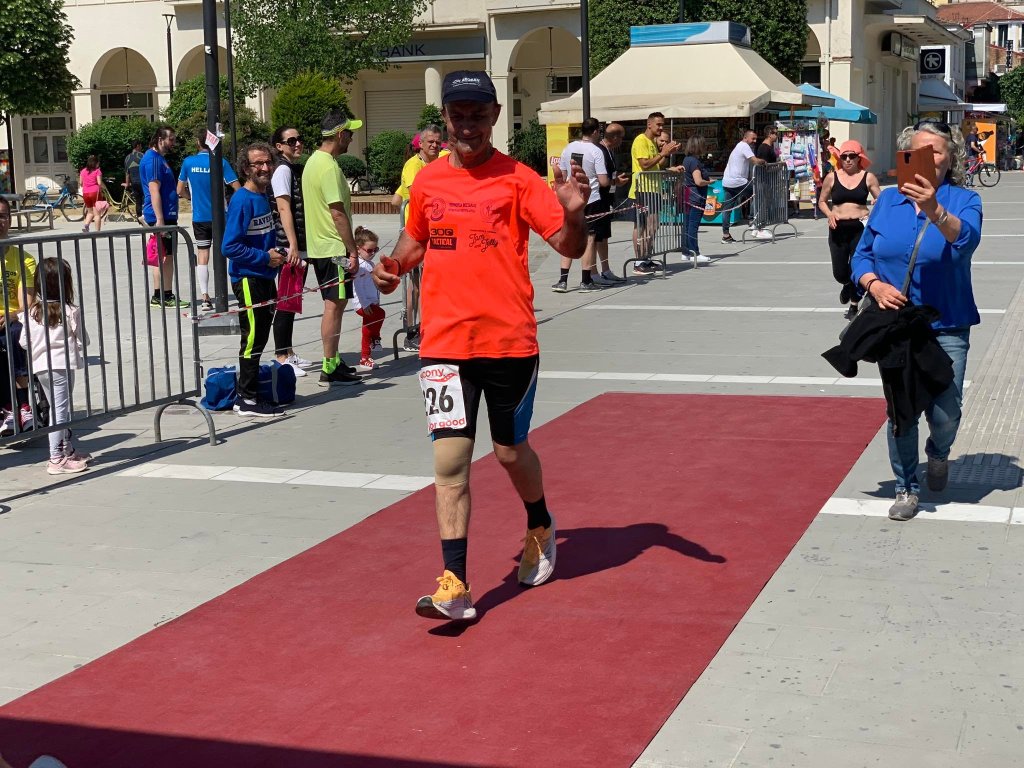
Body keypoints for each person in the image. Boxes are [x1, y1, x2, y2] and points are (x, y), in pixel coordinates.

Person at [371, 69, 589, 622]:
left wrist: (574, 211)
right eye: (457, 115)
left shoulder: (518, 179)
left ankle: (539, 522)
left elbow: (568, 245)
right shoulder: (427, 181)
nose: (466, 125)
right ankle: (455, 585)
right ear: (445, 118)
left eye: (477, 115)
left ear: (494, 117)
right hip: (443, 342)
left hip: (508, 341)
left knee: (509, 451)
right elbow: (416, 238)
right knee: (450, 461)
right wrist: (393, 266)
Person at [850, 119, 982, 522]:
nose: (927, 158)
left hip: (947, 323)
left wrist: (934, 209)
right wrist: (873, 285)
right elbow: (862, 256)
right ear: (906, 156)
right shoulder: (888, 200)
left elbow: (966, 241)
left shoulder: (964, 200)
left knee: (946, 411)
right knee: (901, 412)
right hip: (897, 324)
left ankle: (938, 452)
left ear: (950, 157)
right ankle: (906, 487)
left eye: (935, 151)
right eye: (918, 151)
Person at [223, 142, 287, 418]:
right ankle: (245, 398)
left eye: (268, 162)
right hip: (248, 278)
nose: (264, 168)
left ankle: (251, 393)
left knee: (260, 335)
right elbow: (229, 246)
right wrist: (264, 258)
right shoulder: (242, 200)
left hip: (265, 276)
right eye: (257, 164)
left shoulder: (264, 196)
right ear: (246, 169)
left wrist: (278, 253)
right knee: (251, 337)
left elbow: (263, 237)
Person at [301, 110, 364, 387]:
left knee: (335, 304)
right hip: (333, 247)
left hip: (322, 246)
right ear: (340, 135)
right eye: (349, 133)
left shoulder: (314, 162)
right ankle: (329, 366)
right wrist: (353, 250)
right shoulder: (328, 167)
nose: (352, 138)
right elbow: (337, 212)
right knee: (334, 306)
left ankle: (333, 360)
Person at [19, 257, 91, 474]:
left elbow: (24, 342)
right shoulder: (70, 311)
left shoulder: (32, 312)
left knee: (57, 408)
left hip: (41, 366)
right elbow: (84, 340)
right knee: (60, 411)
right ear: (66, 283)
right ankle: (56, 458)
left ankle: (67, 449)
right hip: (62, 365)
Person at [391, 124, 445, 353]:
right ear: (420, 144)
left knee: (434, 282)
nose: (434, 145)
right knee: (414, 284)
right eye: (430, 142)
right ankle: (411, 332)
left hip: (439, 231)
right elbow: (419, 194)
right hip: (416, 233)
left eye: (437, 142)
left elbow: (396, 199)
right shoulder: (413, 165)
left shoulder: (443, 159)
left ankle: (434, 327)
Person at [267, 126, 315, 377]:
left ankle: (289, 351)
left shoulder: (291, 168)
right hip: (289, 246)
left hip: (296, 245)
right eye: (291, 140)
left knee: (292, 299)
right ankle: (282, 357)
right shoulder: (282, 170)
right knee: (286, 302)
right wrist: (293, 246)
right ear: (279, 146)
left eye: (299, 139)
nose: (298, 143)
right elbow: (284, 208)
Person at [177, 128, 242, 312]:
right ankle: (236, 292)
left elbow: (179, 189)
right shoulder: (220, 161)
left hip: (199, 216)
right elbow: (237, 188)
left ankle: (205, 297)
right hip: (221, 217)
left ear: (198, 143)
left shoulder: (188, 162)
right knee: (229, 252)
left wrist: (190, 197)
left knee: (203, 254)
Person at [818, 140, 881, 319]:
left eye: (851, 156)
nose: (847, 160)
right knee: (840, 273)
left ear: (859, 158)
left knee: (856, 266)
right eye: (844, 156)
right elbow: (822, 201)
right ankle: (846, 285)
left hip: (859, 228)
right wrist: (829, 214)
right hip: (837, 227)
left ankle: (854, 304)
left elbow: (881, 200)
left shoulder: (868, 177)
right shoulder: (832, 177)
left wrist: (876, 204)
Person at [553, 117, 609, 293]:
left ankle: (563, 280)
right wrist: (614, 181)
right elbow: (603, 181)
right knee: (590, 238)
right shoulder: (596, 151)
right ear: (595, 132)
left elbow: (562, 175)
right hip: (590, 198)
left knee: (568, 235)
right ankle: (586, 280)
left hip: (571, 199)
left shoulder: (568, 148)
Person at [140, 125, 188, 308]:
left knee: (161, 255)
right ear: (160, 139)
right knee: (166, 256)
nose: (173, 143)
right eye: (171, 139)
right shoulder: (153, 160)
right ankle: (166, 295)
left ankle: (158, 295)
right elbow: (154, 190)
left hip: (165, 215)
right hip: (162, 216)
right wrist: (160, 219)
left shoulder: (158, 158)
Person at [0, 197, 37, 435]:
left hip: (13, 319)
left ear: (10, 220)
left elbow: (27, 303)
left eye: (3, 216)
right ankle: (7, 406)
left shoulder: (24, 258)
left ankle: (22, 406)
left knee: (14, 335)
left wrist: (12, 315)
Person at [629, 112, 680, 275]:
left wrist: (666, 155)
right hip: (642, 190)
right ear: (649, 124)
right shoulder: (641, 140)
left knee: (653, 226)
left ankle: (646, 258)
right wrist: (663, 153)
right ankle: (639, 261)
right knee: (643, 226)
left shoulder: (651, 142)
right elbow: (644, 164)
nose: (661, 127)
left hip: (653, 189)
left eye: (662, 124)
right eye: (658, 124)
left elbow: (655, 165)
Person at [594, 122, 629, 283]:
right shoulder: (600, 151)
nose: (621, 141)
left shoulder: (609, 151)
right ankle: (593, 272)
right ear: (614, 137)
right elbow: (600, 179)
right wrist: (615, 182)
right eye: (621, 138)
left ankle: (606, 269)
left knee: (604, 236)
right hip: (598, 198)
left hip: (607, 197)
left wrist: (615, 181)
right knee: (595, 237)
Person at [350, 226, 385, 371]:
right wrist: (365, 304)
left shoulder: (369, 264)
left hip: (371, 302)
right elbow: (358, 286)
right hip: (362, 304)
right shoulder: (359, 266)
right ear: (358, 249)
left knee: (367, 328)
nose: (373, 253)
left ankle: (365, 357)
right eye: (369, 250)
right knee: (380, 314)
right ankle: (375, 339)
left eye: (375, 250)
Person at [720, 130, 765, 244]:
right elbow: (755, 161)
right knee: (759, 192)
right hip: (738, 181)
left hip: (728, 181)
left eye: (755, 139)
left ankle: (725, 235)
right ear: (745, 138)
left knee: (727, 209)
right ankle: (754, 223)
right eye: (753, 138)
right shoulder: (744, 146)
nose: (755, 141)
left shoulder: (738, 146)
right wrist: (764, 161)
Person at [680, 135, 712, 262]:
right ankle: (695, 252)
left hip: (688, 196)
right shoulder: (694, 162)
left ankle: (686, 252)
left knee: (687, 225)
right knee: (693, 225)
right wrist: (709, 182)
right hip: (696, 197)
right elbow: (698, 181)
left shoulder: (686, 160)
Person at [79, 155, 105, 233]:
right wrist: (103, 188)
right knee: (97, 214)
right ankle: (97, 232)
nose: (98, 164)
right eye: (98, 163)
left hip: (85, 193)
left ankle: (86, 225)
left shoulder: (83, 171)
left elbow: (81, 183)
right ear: (95, 163)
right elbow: (99, 183)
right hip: (95, 192)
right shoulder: (97, 171)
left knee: (90, 212)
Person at [124, 140, 145, 222]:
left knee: (138, 201)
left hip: (134, 183)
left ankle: (139, 219)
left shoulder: (127, 158)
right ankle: (147, 218)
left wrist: (127, 184)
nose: (141, 147)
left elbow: (127, 173)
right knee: (146, 200)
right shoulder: (142, 156)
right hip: (143, 182)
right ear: (138, 146)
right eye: (141, 145)